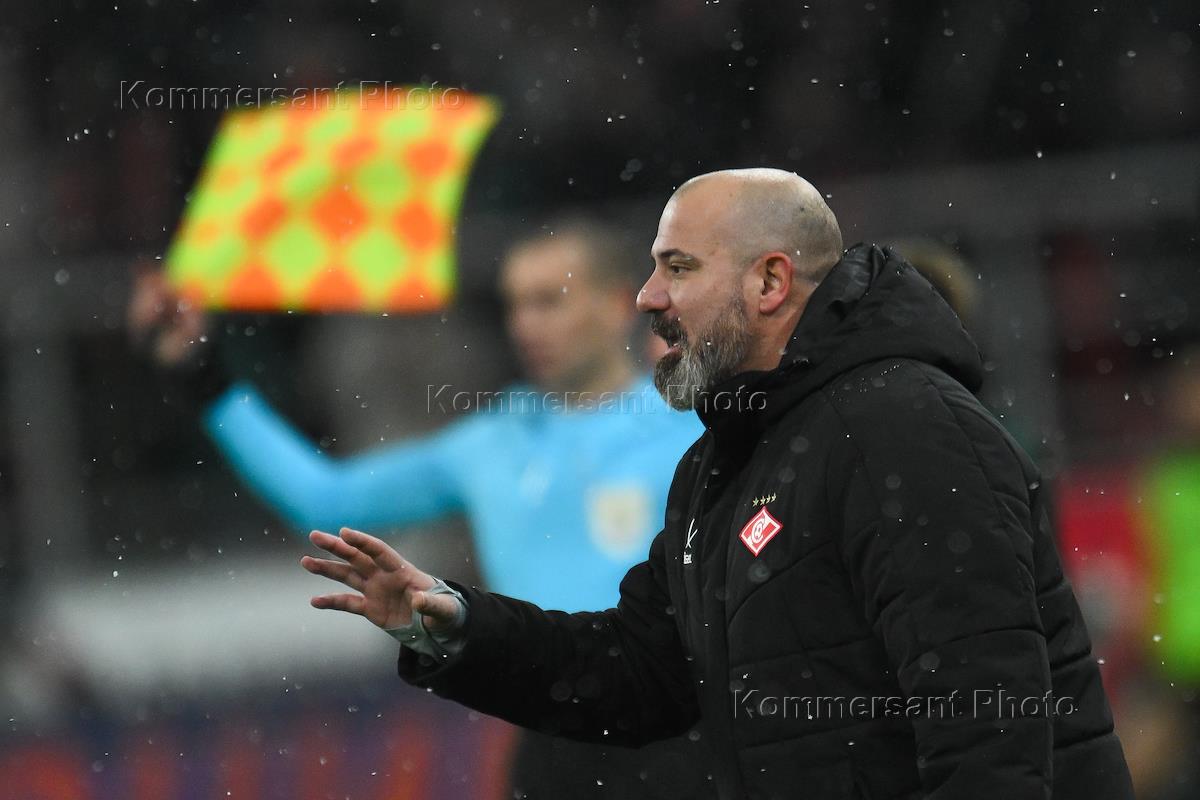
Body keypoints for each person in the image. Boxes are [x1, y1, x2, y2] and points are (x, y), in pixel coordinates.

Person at [302, 168, 1134, 799]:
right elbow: (639, 669)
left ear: (770, 282)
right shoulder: (722, 464)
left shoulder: (904, 427)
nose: (647, 297)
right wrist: (454, 626)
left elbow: (986, 720)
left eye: (678, 267)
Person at [129, 219, 709, 798]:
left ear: (616, 305)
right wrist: (203, 373)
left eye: (548, 300)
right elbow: (325, 499)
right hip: (552, 750)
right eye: (514, 304)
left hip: (682, 738)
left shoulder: (694, 426)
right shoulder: (491, 443)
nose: (525, 324)